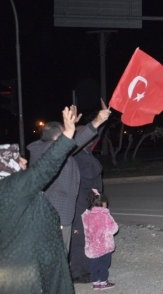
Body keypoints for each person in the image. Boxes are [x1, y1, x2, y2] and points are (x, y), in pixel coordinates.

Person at [0, 107, 79, 294]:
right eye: (18, 158)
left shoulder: (11, 189)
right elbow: (45, 168)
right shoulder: (13, 187)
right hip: (29, 280)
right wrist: (68, 135)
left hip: (21, 276)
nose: (24, 160)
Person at [27, 102, 110, 252]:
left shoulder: (51, 152)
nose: (71, 135)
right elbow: (76, 143)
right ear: (57, 137)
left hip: (60, 215)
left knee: (59, 259)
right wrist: (97, 121)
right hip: (54, 216)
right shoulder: (46, 151)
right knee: (56, 260)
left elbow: (77, 143)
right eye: (67, 132)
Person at [70, 129, 104, 283]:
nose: (93, 138)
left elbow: (97, 132)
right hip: (79, 201)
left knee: (90, 235)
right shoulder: (74, 155)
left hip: (91, 201)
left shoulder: (86, 152)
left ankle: (87, 267)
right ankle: (77, 272)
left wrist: (106, 114)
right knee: (79, 236)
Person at [82, 189, 118, 290]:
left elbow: (86, 229)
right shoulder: (105, 215)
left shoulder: (86, 215)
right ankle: (103, 282)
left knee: (94, 265)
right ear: (103, 203)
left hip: (93, 247)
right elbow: (113, 229)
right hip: (104, 246)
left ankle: (95, 283)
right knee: (104, 264)